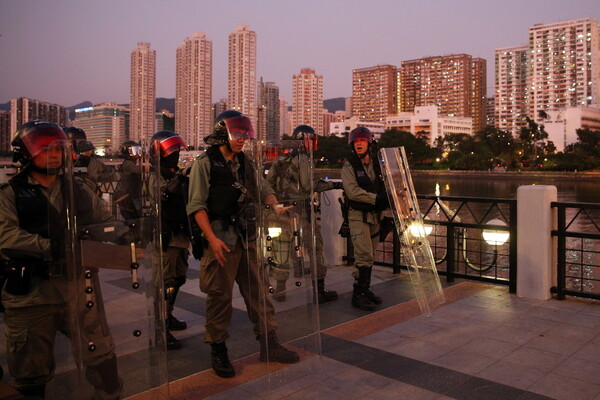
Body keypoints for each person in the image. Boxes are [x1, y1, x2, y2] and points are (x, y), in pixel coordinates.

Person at [0, 120, 127, 399]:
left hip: (78, 287)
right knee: (30, 374)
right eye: (43, 148)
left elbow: (104, 220)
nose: (54, 153)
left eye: (58, 147)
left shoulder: (77, 189)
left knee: (103, 359)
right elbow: (6, 237)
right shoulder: (10, 193)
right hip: (32, 292)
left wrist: (127, 234)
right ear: (24, 153)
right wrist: (52, 247)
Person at [187, 110, 299, 379]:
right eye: (237, 134)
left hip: (246, 237)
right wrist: (211, 240)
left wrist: (276, 205)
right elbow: (196, 206)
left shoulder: (245, 161)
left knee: (259, 291)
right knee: (219, 296)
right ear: (221, 134)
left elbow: (262, 188)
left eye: (243, 134)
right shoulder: (204, 164)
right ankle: (218, 349)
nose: (242, 139)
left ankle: (269, 344)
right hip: (221, 240)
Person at [266, 124, 341, 303]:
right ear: (306, 141)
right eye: (312, 140)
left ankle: (280, 289)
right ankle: (319, 290)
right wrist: (332, 184)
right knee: (315, 247)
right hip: (301, 211)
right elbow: (308, 186)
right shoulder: (303, 158)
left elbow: (269, 184)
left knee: (283, 248)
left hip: (283, 211)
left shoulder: (281, 158)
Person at [149, 130, 190, 350]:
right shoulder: (155, 176)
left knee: (178, 278)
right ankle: (161, 326)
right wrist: (181, 178)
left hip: (180, 234)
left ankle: (168, 314)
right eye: (170, 150)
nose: (174, 153)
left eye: (176, 149)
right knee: (166, 283)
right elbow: (163, 194)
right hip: (166, 236)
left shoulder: (172, 173)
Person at [341, 127, 389, 311]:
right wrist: (377, 199)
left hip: (376, 216)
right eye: (355, 141)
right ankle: (357, 295)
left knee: (371, 255)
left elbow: (389, 182)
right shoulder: (349, 166)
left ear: (369, 143)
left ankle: (366, 289)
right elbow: (352, 192)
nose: (358, 144)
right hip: (358, 216)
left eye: (362, 141)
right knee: (364, 256)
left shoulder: (378, 165)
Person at [114, 140, 142, 221]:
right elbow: (140, 170)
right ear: (127, 152)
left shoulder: (128, 162)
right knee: (135, 218)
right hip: (129, 197)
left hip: (130, 195)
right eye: (134, 151)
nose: (136, 153)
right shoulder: (128, 164)